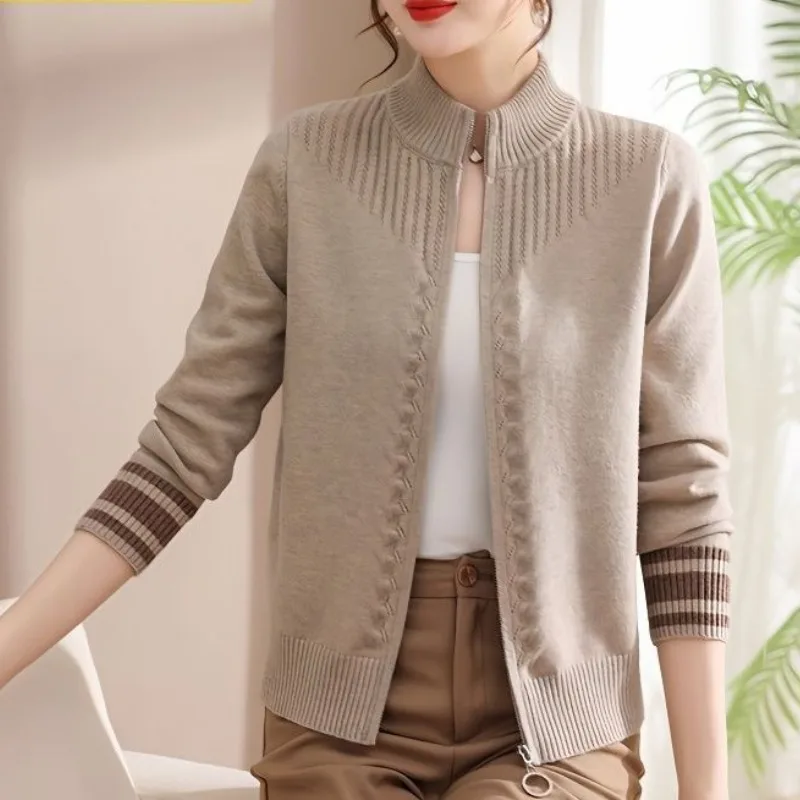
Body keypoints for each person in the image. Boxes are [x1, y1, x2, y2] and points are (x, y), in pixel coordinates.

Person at [0, 1, 734, 798]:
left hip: (559, 728)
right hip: (337, 724)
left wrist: (706, 792)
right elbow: (182, 452)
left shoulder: (648, 177)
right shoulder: (305, 164)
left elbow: (683, 504)